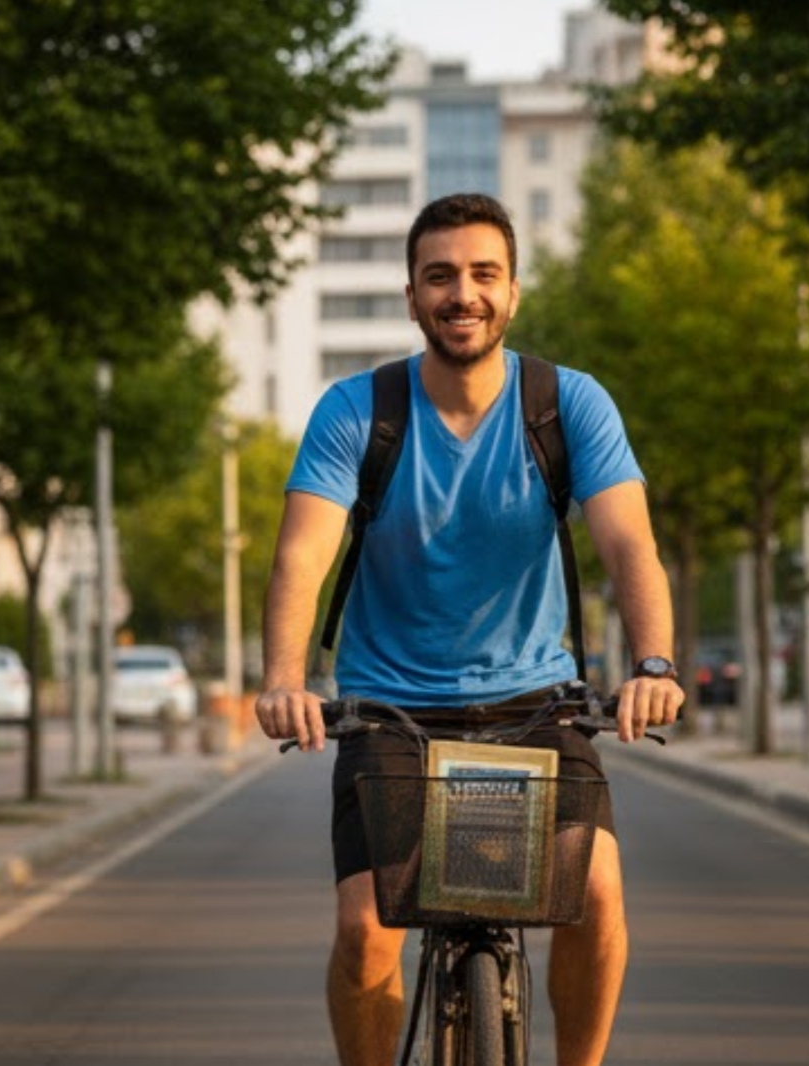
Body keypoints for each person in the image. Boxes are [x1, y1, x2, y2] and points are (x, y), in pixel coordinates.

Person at [255, 192, 684, 1066]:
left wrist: (652, 662)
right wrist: (282, 677)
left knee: (597, 894)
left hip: (535, 702)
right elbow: (302, 554)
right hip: (389, 713)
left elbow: (629, 543)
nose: (463, 293)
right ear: (411, 297)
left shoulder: (568, 406)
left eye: (483, 273)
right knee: (364, 930)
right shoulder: (355, 412)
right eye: (439, 275)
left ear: (513, 292)